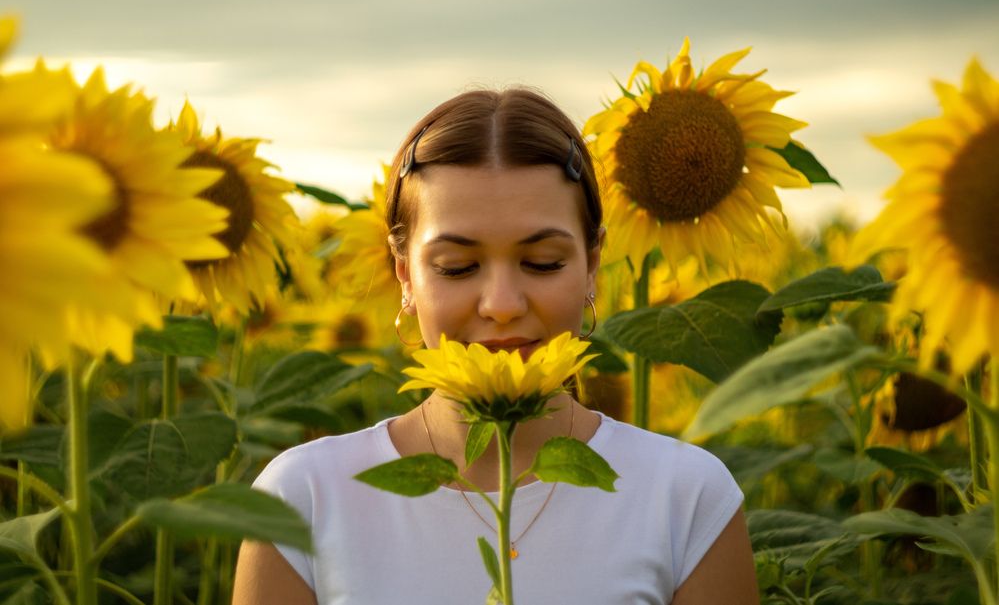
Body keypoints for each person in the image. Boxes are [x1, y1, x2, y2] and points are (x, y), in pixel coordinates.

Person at [233, 88, 758, 604]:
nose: (502, 304)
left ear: (593, 263)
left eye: (543, 262)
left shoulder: (684, 499)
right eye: (457, 268)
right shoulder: (304, 500)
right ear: (405, 276)